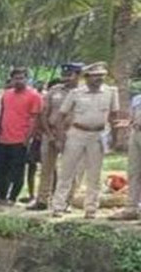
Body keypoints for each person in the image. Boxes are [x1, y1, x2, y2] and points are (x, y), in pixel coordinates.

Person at [51, 62, 120, 219]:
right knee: (67, 171)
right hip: (77, 133)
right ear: (87, 77)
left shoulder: (110, 92)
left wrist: (114, 138)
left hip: (98, 134)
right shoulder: (76, 93)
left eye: (101, 75)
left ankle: (91, 208)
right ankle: (58, 206)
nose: (99, 79)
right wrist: (60, 137)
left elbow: (114, 116)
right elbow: (61, 116)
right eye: (95, 76)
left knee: (94, 174)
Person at [30, 63, 84, 210]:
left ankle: (66, 201)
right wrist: (49, 134)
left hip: (72, 135)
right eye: (64, 75)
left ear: (78, 75)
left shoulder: (83, 93)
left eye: (69, 75)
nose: (65, 78)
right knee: (46, 168)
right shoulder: (54, 90)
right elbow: (44, 112)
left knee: (70, 169)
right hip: (51, 134)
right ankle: (42, 200)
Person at [0, 68, 44, 204]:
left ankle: (12, 197)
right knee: (1, 169)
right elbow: (2, 113)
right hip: (3, 138)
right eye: (16, 78)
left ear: (27, 79)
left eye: (21, 78)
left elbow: (35, 119)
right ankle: (2, 196)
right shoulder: (6, 94)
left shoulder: (34, 96)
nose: (18, 81)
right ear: (11, 80)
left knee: (18, 170)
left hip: (20, 139)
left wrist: (28, 138)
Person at [111, 93, 141, 220]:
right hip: (136, 133)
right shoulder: (137, 98)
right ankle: (132, 208)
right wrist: (129, 123)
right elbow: (133, 117)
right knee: (133, 172)